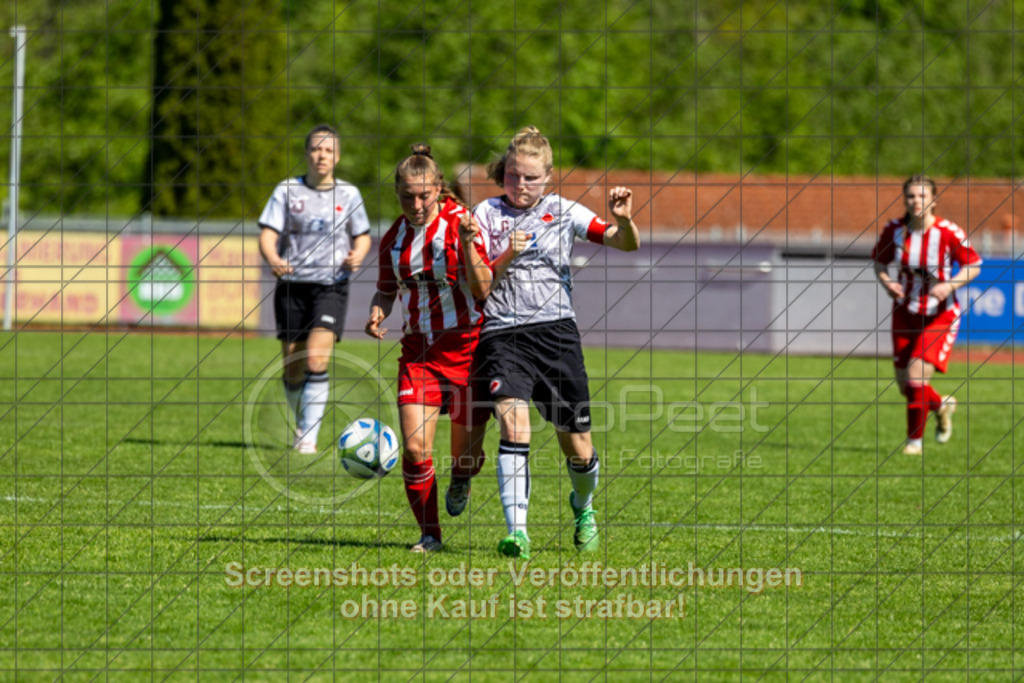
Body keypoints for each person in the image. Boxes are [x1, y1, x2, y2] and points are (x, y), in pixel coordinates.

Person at [471, 126, 641, 560]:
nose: (520, 185)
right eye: (513, 175)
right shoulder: (485, 214)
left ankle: (583, 506)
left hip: (556, 334)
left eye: (530, 178)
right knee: (514, 425)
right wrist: (506, 253)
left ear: (548, 177)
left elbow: (624, 243)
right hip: (503, 333)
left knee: (578, 446)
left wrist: (623, 220)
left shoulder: (564, 211)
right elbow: (479, 284)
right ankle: (517, 533)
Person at [365, 144, 493, 553]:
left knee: (466, 458)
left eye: (424, 196)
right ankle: (430, 535)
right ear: (397, 192)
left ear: (439, 188)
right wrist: (378, 311)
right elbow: (386, 291)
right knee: (416, 447)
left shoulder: (462, 224)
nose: (416, 205)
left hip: (470, 350)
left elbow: (483, 289)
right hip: (419, 353)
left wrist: (469, 247)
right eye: (407, 197)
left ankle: (461, 477)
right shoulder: (393, 239)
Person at [258, 124, 372, 455]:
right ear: (307, 153)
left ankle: (308, 436)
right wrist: (273, 258)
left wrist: (358, 254)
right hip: (292, 286)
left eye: (328, 150)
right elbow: (268, 233)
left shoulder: (349, 194)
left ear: (338, 157)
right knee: (292, 366)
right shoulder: (287, 190)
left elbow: (362, 235)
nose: (322, 155)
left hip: (331, 285)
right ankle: (301, 421)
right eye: (316, 149)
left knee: (316, 358)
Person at [871, 175, 982, 456]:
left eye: (922, 196)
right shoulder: (895, 230)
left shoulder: (947, 231)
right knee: (905, 385)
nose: (916, 201)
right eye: (911, 196)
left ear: (933, 200)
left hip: (939, 315)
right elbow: (879, 262)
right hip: (905, 312)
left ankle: (914, 444)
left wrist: (950, 285)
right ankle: (941, 406)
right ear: (905, 199)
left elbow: (974, 265)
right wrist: (887, 282)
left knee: (917, 376)